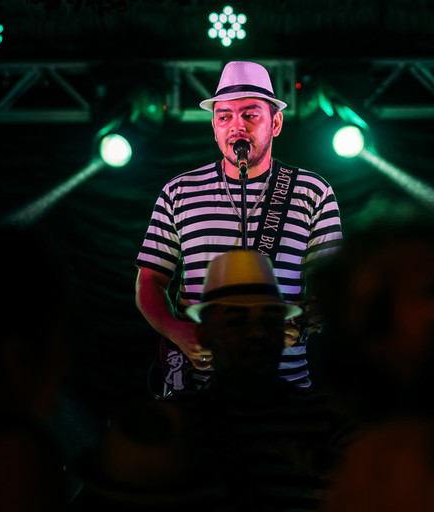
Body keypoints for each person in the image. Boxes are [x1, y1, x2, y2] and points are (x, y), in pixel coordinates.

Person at [135, 61, 342, 390]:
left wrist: (303, 321)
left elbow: (334, 289)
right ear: (214, 127)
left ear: (276, 123)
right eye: (224, 117)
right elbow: (150, 281)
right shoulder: (178, 191)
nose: (237, 126)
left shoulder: (312, 192)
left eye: (250, 115)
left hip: (284, 385)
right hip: (196, 387)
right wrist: (177, 331)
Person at [165, 250, 353, 511]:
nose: (258, 332)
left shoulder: (330, 416)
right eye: (237, 322)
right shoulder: (172, 422)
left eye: (269, 320)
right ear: (205, 334)